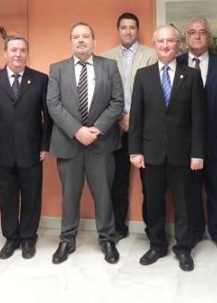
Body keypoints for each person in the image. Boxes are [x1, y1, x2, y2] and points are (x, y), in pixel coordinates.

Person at [128, 25, 205, 272]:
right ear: (154, 44)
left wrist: (198, 153)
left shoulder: (191, 75)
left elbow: (198, 118)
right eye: (160, 41)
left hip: (182, 153)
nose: (165, 45)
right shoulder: (143, 75)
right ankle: (157, 245)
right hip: (151, 153)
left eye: (170, 41)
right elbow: (137, 117)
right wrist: (135, 151)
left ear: (177, 44)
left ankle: (183, 248)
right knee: (153, 203)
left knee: (184, 204)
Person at [47, 22, 124, 265]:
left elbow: (117, 102)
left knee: (103, 195)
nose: (81, 40)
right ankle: (67, 240)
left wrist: (97, 129)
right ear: (70, 42)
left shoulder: (109, 66)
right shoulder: (57, 69)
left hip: (101, 144)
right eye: (76, 37)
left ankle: (107, 239)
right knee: (69, 196)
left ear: (94, 41)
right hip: (69, 143)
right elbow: (53, 105)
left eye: (86, 36)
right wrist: (77, 130)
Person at [0, 35, 52, 260]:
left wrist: (45, 145)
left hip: (32, 150)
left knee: (32, 196)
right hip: (1, 151)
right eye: (13, 50)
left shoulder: (40, 79)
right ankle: (11, 238)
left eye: (22, 50)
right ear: (5, 53)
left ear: (27, 53)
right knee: (7, 196)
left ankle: (29, 238)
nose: (18, 54)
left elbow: (47, 117)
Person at [177, 17, 217, 252]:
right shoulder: (177, 63)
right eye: (192, 32)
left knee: (216, 188)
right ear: (186, 37)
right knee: (189, 190)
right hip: (185, 142)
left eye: (202, 32)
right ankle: (194, 232)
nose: (197, 36)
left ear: (209, 37)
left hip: (215, 139)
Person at [102, 12, 157, 239]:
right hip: (115, 128)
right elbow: (103, 95)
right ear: (118, 30)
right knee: (117, 182)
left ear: (137, 30)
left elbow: (154, 94)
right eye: (123, 27)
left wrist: (132, 118)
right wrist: (119, 117)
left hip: (144, 128)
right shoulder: (106, 58)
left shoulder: (151, 55)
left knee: (150, 183)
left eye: (132, 27)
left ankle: (153, 230)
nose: (128, 31)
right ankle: (118, 228)